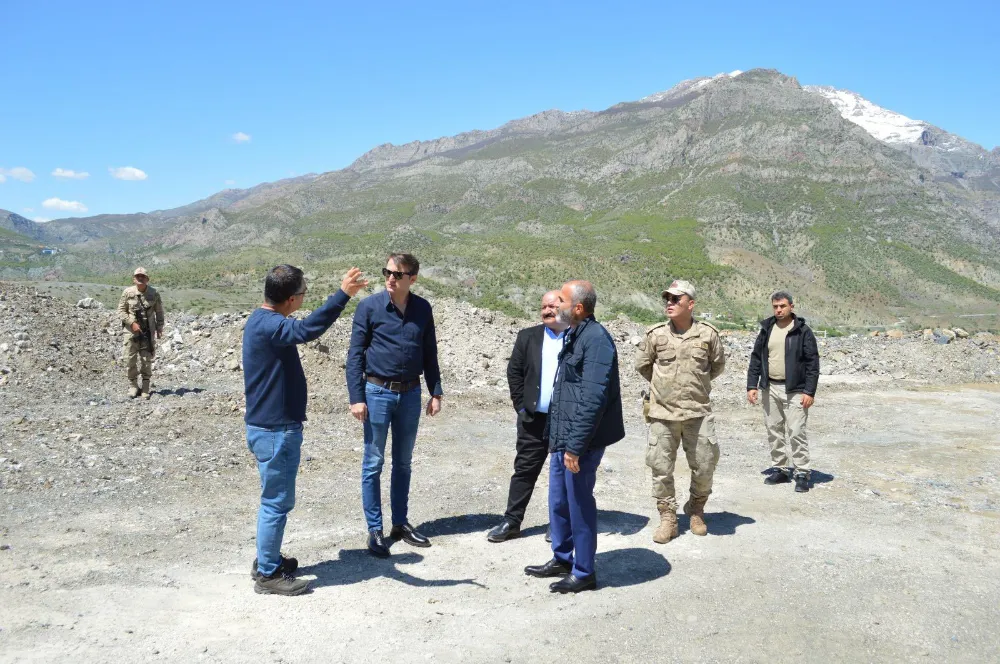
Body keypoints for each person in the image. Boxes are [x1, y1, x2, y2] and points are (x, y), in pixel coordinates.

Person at [244, 264, 367, 596]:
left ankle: (267, 559)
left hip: (267, 427)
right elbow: (309, 329)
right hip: (275, 430)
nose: (303, 299)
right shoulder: (272, 325)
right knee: (276, 503)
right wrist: (343, 295)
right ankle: (268, 574)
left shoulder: (260, 320)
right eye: (302, 294)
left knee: (273, 499)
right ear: (290, 299)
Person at [524, 281, 624, 594]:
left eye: (562, 301)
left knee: (579, 504)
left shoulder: (596, 340)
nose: (555, 305)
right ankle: (563, 557)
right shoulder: (575, 333)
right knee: (559, 500)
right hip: (562, 437)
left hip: (580, 442)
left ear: (578, 308)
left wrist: (575, 446)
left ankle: (584, 572)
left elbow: (592, 400)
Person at [346, 253, 443, 558]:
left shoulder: (422, 308)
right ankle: (375, 530)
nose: (390, 278)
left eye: (397, 274)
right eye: (387, 272)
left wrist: (436, 392)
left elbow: (429, 352)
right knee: (373, 463)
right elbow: (355, 355)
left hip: (411, 393)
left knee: (403, 463)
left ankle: (399, 524)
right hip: (377, 392)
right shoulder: (368, 307)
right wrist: (356, 397)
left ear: (412, 279)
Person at [635, 280, 725, 544]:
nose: (670, 303)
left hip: (698, 412)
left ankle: (696, 509)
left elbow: (716, 366)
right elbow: (643, 365)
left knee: (705, 465)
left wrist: (694, 385)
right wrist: (665, 387)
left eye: (676, 299)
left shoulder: (708, 334)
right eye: (668, 299)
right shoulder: (655, 334)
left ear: (691, 304)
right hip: (663, 414)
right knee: (661, 468)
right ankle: (668, 518)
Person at [488, 291, 568, 543]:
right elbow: (514, 373)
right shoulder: (528, 336)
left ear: (565, 307)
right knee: (524, 470)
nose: (547, 311)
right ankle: (512, 521)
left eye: (552, 306)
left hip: (565, 422)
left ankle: (558, 524)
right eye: (543, 307)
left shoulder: (576, 337)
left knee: (563, 474)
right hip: (533, 419)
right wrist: (521, 407)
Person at [746, 290, 820, 493]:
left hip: (796, 390)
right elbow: (756, 358)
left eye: (782, 306)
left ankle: (802, 472)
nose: (779, 310)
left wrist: (809, 391)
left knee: (796, 431)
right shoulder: (766, 329)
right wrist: (752, 385)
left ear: (791, 307)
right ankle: (780, 469)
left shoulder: (803, 331)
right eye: (775, 307)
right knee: (774, 430)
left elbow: (813, 363)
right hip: (770, 387)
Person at [117, 267, 165, 399]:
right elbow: (121, 311)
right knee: (129, 359)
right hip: (131, 332)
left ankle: (145, 387)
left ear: (147, 279)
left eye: (142, 276)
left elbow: (159, 311)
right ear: (134, 279)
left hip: (147, 332)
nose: (140, 278)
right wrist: (131, 322)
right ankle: (133, 386)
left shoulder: (154, 293)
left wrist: (159, 327)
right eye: (137, 276)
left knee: (146, 360)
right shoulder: (127, 292)